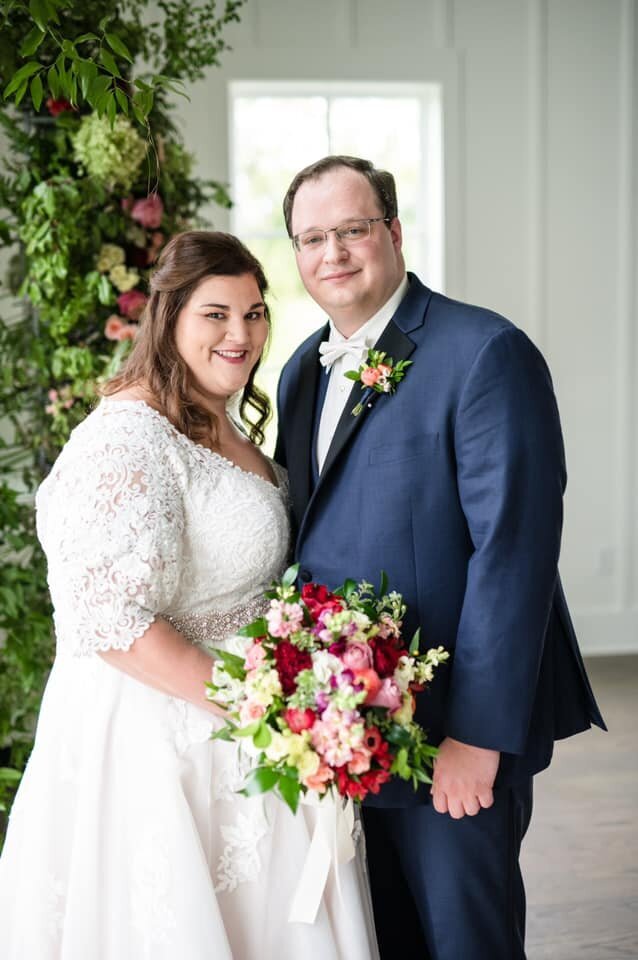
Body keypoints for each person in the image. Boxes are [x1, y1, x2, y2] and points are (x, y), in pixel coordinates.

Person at [0, 231, 379, 959]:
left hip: (245, 722)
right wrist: (268, 709)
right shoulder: (127, 437)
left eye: (255, 312)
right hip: (163, 737)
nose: (241, 334)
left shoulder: (215, 416)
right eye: (216, 314)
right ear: (169, 316)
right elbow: (111, 622)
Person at [275, 156, 606, 960]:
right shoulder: (298, 373)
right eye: (312, 237)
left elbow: (514, 554)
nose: (334, 253)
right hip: (350, 727)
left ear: (391, 229)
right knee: (380, 934)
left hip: (455, 729)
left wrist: (476, 739)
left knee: (466, 939)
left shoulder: (484, 351)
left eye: (352, 229)